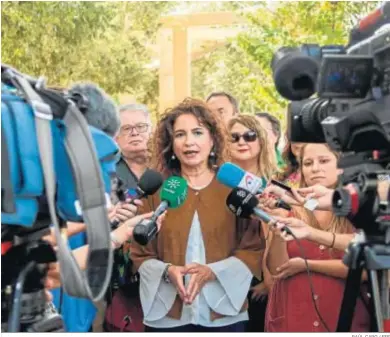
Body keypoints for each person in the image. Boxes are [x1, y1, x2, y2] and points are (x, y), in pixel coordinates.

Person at [130, 98, 264, 332]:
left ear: (213, 140)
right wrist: (167, 271)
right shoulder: (157, 190)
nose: (189, 142)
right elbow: (138, 250)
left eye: (198, 132)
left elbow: (252, 247)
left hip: (224, 313)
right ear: (171, 144)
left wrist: (213, 271)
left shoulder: (233, 188)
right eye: (180, 134)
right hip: (167, 315)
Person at [261, 143, 370, 332]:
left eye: (324, 160)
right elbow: (276, 269)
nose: (315, 168)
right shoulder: (290, 208)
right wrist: (277, 232)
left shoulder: (359, 210)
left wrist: (307, 265)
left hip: (343, 318)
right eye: (308, 163)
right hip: (294, 318)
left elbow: (364, 270)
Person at [227, 115, 278, 332]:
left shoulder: (276, 183)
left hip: (262, 282)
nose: (242, 142)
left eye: (249, 136)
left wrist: (268, 281)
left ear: (262, 141)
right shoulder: (216, 181)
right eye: (234, 137)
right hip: (223, 279)